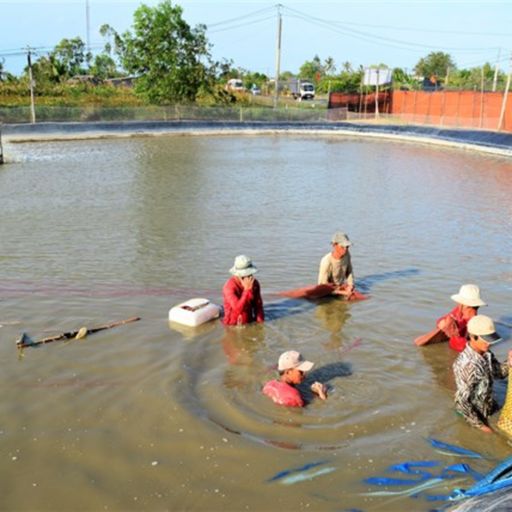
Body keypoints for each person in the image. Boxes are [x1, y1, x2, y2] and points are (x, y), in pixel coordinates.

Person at [453, 315, 512, 433]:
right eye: (486, 339)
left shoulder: (486, 354)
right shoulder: (468, 366)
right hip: (474, 414)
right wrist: (482, 427)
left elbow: (498, 373)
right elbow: (462, 402)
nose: (489, 344)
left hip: (488, 406)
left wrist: (509, 362)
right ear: (473, 337)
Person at [263, 350, 327, 407]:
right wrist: (321, 394)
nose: (305, 375)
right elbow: (314, 410)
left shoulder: (269, 384)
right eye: (301, 372)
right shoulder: (294, 398)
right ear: (288, 372)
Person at [437, 284, 486, 352]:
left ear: (465, 305)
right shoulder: (459, 310)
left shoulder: (473, 322)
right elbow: (441, 320)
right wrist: (444, 321)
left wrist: (454, 333)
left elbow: (462, 346)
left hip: (460, 352)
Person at [222, 255, 264, 326]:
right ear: (238, 275)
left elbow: (258, 306)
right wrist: (247, 290)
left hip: (249, 322)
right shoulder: (229, 287)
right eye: (245, 276)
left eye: (250, 274)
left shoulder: (255, 283)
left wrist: (261, 324)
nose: (249, 278)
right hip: (232, 325)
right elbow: (238, 310)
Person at [318, 232, 354, 297]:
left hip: (339, 287)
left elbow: (349, 272)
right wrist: (342, 292)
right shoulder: (326, 261)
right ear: (334, 245)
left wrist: (350, 285)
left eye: (347, 247)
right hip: (327, 292)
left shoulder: (347, 255)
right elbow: (322, 287)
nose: (345, 250)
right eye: (342, 247)